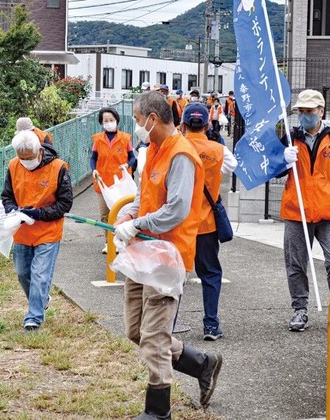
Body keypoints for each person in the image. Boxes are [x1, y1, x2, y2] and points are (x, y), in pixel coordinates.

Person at [114, 91, 222, 418]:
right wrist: (126, 217)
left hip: (167, 255)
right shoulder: (154, 150)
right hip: (143, 250)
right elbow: (144, 197)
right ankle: (202, 363)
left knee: (155, 338)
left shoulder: (181, 155)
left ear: (153, 119)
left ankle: (159, 411)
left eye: (136, 120)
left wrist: (137, 225)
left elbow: (176, 210)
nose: (135, 126)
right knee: (137, 331)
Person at [1, 130, 73, 331]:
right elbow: (7, 196)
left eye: (29, 158)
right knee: (23, 273)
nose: (25, 162)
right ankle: (41, 299)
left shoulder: (58, 168)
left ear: (39, 151)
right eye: (22, 158)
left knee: (40, 274)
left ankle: (33, 318)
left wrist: (38, 214)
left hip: (48, 231)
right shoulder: (14, 166)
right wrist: (11, 210)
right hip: (22, 231)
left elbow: (65, 204)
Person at [280, 89, 330, 332]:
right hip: (296, 210)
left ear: (321, 111)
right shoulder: (290, 137)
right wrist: (282, 159)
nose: (304, 116)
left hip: (329, 211)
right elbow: (275, 170)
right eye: (301, 111)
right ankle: (300, 310)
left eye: (309, 111)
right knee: (296, 264)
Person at [182, 102, 238, 340]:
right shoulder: (218, 150)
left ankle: (168, 324)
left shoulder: (175, 146)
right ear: (206, 125)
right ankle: (211, 325)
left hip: (179, 223)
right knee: (211, 274)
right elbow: (231, 166)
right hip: (206, 224)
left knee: (172, 275)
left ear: (183, 124)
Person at [90, 107, 135, 254]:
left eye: (111, 120)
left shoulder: (125, 138)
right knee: (105, 214)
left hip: (120, 183)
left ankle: (123, 240)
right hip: (102, 182)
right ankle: (109, 242)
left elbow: (132, 157)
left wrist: (127, 165)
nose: (109, 123)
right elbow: (93, 158)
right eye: (106, 120)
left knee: (122, 213)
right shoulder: (98, 139)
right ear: (101, 122)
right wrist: (94, 169)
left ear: (116, 120)